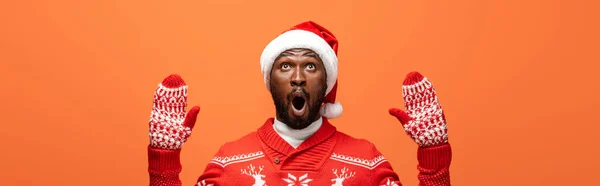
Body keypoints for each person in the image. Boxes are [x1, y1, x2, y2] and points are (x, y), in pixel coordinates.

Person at [147, 21, 452, 186]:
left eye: (310, 66)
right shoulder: (230, 163)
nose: (297, 77)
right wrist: (164, 166)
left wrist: (433, 159)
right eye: (284, 66)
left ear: (326, 83)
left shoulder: (367, 163)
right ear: (270, 81)